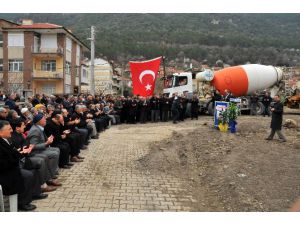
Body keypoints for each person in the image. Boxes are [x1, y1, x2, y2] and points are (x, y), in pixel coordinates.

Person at [0, 120, 37, 211]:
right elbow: (4, 164)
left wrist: (21, 152)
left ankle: (29, 197)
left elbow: (12, 153)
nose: (11, 130)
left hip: (11, 168)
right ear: (0, 132)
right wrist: (18, 155)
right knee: (28, 175)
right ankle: (22, 203)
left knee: (32, 169)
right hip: (5, 173)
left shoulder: (6, 139)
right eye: (9, 129)